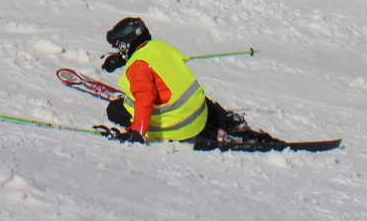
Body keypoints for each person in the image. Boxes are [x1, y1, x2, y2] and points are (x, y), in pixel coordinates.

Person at [98, 17, 278, 145]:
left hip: (180, 125)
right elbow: (153, 62)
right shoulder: (160, 47)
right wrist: (121, 60)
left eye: (118, 45)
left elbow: (145, 97)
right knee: (190, 94)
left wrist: (136, 132)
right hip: (199, 111)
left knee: (115, 109)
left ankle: (207, 133)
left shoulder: (137, 66)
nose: (118, 50)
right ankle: (229, 121)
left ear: (125, 44)